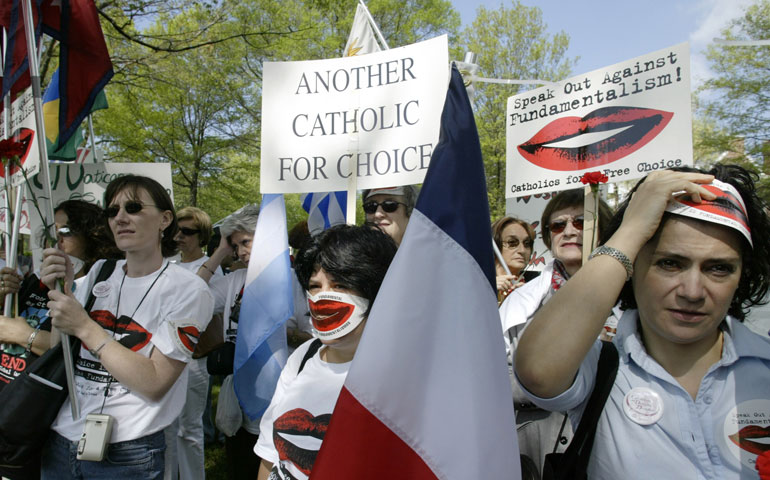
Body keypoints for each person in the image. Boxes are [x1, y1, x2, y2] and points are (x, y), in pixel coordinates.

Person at [515, 166, 770, 478]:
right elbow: (536, 370)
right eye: (669, 263)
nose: (692, 292)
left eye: (718, 268)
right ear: (631, 265)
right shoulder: (601, 369)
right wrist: (631, 228)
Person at [39, 175, 214, 478]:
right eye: (112, 210)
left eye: (133, 207)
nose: (120, 218)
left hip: (128, 451)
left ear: (165, 219)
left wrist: (86, 326)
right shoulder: (99, 271)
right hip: (62, 437)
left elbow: (155, 382)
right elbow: (60, 349)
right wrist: (63, 292)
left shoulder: (189, 290)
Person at [255, 224, 398, 480]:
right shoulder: (303, 356)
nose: (322, 297)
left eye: (340, 284)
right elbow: (270, 455)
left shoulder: (405, 373)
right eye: (314, 285)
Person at [0, 200, 120, 479]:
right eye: (52, 233)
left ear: (91, 235)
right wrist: (4, 296)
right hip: (11, 403)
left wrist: (23, 334)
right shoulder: (35, 283)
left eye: (65, 231)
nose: (57, 241)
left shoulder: (101, 290)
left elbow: (82, 349)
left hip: (45, 416)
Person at [498, 188, 613, 478]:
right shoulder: (520, 300)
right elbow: (491, 374)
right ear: (549, 237)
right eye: (559, 225)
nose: (570, 231)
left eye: (581, 222)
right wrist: (548, 381)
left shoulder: (635, 296)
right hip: (534, 445)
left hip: (611, 440)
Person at [198, 204, 313, 479]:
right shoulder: (235, 280)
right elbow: (191, 298)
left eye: (245, 242)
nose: (240, 252)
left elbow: (316, 341)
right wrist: (220, 252)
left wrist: (278, 333)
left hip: (281, 398)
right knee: (239, 466)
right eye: (235, 246)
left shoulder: (296, 283)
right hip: (239, 397)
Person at [171, 206, 223, 480]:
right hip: (165, 355)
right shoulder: (168, 265)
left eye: (187, 232)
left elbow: (203, 307)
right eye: (177, 230)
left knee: (189, 427)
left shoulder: (215, 270)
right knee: (167, 426)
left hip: (194, 357)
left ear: (201, 236)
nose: (179, 236)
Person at [492, 216, 537, 302]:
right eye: (512, 242)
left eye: (527, 243)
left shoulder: (537, 289)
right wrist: (487, 289)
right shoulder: (476, 283)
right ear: (495, 246)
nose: (522, 250)